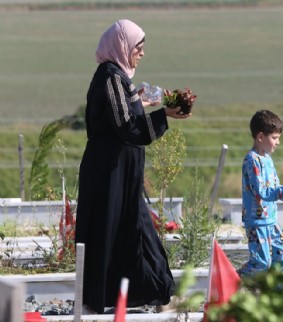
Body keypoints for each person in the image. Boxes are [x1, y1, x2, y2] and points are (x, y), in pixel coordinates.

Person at [75, 19, 190, 314]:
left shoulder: (120, 79)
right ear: (123, 46)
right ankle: (107, 299)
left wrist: (155, 104)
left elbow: (125, 118)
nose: (141, 53)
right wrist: (163, 116)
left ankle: (160, 294)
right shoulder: (111, 78)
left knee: (137, 229)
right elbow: (126, 127)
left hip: (122, 174)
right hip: (109, 174)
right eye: (138, 47)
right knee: (112, 230)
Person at [237, 109, 283, 277]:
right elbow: (261, 190)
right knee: (262, 263)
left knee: (282, 257)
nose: (278, 142)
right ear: (261, 137)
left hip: (270, 218)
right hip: (257, 222)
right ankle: (232, 281)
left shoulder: (268, 159)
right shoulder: (252, 160)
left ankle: (277, 295)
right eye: (275, 138)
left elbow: (275, 187)